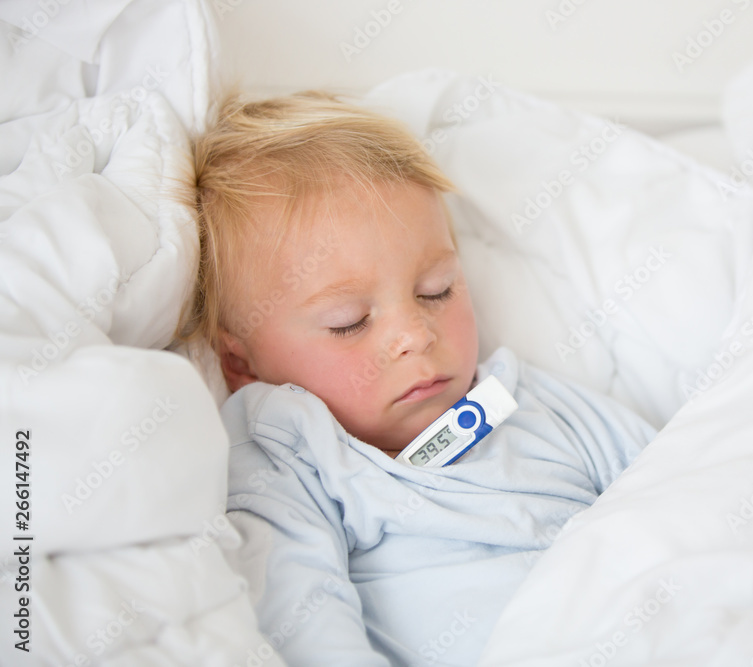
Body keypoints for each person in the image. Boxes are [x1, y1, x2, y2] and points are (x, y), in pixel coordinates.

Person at [178, 90, 657, 666]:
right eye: (348, 323)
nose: (415, 334)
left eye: (437, 291)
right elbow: (298, 610)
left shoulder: (530, 402)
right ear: (241, 365)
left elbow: (682, 492)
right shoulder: (293, 453)